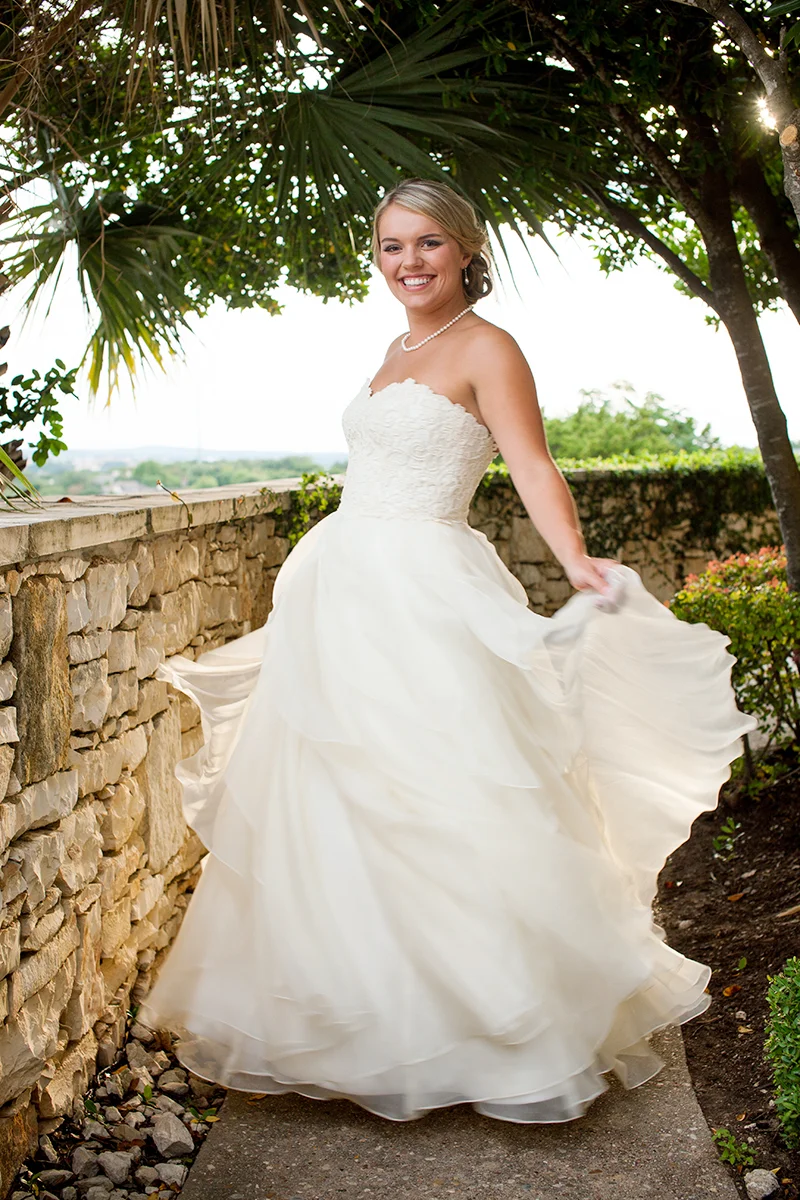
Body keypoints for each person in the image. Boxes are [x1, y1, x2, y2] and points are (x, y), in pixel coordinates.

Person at [137, 177, 757, 1124]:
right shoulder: (396, 347)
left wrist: (577, 560)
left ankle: (495, 1034)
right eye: (391, 247)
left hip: (425, 590)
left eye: (428, 244)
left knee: (445, 790)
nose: (409, 263)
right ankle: (363, 1028)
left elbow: (532, 460)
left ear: (465, 249)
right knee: (343, 800)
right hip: (341, 596)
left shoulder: (488, 346)